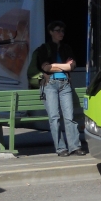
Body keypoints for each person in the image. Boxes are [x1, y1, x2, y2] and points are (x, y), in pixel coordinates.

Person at [34, 21, 85, 156]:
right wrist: (63, 65)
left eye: (62, 31)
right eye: (58, 31)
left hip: (65, 84)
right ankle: (61, 148)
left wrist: (55, 65)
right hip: (50, 85)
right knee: (54, 118)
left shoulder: (66, 48)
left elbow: (72, 66)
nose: (61, 33)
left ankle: (74, 146)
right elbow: (46, 67)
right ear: (51, 32)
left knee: (69, 117)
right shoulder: (44, 48)